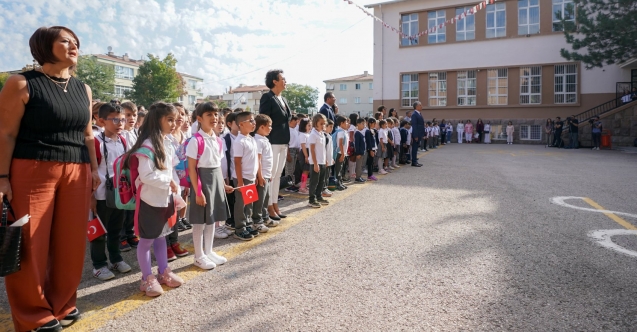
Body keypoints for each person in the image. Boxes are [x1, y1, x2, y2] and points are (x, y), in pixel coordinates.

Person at [0, 26, 100, 331]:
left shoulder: (84, 89)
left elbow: (87, 136)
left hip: (78, 170)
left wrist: (94, 169)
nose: (73, 46)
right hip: (32, 169)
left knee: (70, 243)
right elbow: (5, 133)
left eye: (76, 43)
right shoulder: (21, 83)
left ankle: (62, 303)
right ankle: (33, 315)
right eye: (65, 41)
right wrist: (2, 177)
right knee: (31, 243)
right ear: (45, 45)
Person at [130, 102, 184, 297]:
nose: (174, 123)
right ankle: (146, 277)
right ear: (157, 120)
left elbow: (171, 171)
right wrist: (168, 182)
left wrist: (175, 192)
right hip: (149, 200)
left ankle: (164, 271)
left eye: (174, 119)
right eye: (169, 119)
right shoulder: (148, 145)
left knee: (162, 236)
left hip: (164, 198)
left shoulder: (166, 141)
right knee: (146, 241)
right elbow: (146, 176)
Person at [187, 102, 232, 270]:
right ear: (199, 118)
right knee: (200, 221)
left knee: (212, 218)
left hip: (214, 181)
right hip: (201, 182)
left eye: (215, 114)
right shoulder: (195, 140)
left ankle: (209, 251)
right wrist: (198, 192)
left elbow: (217, 166)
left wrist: (222, 184)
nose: (214, 118)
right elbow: (192, 168)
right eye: (209, 115)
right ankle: (198, 256)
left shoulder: (217, 140)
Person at [91, 103, 132, 281]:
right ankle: (99, 264)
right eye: (115, 119)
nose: (120, 123)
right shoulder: (96, 142)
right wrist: (90, 197)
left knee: (116, 228)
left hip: (119, 193)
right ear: (101, 121)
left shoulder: (123, 140)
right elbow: (89, 172)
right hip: (100, 195)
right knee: (99, 231)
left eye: (122, 119)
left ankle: (116, 258)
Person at [259, 69, 291, 222]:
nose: (285, 81)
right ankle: (268, 207)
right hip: (272, 142)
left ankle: (275, 204)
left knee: (278, 175)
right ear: (274, 81)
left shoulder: (282, 99)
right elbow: (263, 120)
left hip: (283, 141)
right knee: (271, 176)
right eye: (283, 78)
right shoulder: (267, 97)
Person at [166, 103, 190, 262]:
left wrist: (186, 183)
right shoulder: (166, 137)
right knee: (167, 213)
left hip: (181, 181)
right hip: (169, 180)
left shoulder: (186, 137)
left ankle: (174, 241)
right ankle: (165, 245)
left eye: (183, 114)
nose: (180, 117)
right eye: (177, 114)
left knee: (175, 213)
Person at [232, 112, 260, 241]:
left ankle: (248, 223)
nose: (254, 123)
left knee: (249, 202)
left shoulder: (251, 138)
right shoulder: (239, 141)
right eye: (251, 121)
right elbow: (237, 162)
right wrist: (240, 181)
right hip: (242, 177)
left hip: (251, 176)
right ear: (241, 124)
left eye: (254, 121)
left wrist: (256, 176)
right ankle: (239, 228)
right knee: (241, 204)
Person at [119, 102, 140, 252]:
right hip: (123, 175)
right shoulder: (119, 135)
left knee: (133, 206)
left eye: (134, 115)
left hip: (134, 174)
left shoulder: (136, 133)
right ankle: (121, 237)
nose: (131, 118)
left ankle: (130, 232)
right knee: (123, 206)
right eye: (128, 115)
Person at [253, 114, 277, 231]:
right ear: (261, 127)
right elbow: (258, 160)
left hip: (267, 174)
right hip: (262, 175)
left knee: (266, 197)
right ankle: (257, 221)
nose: (271, 128)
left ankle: (265, 217)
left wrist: (269, 174)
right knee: (260, 199)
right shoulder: (258, 140)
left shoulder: (264, 139)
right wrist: (260, 176)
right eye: (269, 126)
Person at [307, 114, 329, 208]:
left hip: (322, 161)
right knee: (314, 181)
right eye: (321, 124)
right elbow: (312, 150)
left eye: (324, 124)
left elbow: (322, 149)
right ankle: (312, 199)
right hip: (315, 162)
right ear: (315, 123)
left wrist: (325, 160)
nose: (323, 125)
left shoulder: (322, 134)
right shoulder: (313, 134)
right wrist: (315, 164)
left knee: (321, 181)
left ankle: (319, 196)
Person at [333, 115, 349, 190]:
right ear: (341, 123)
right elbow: (340, 143)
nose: (347, 124)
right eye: (346, 122)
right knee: (338, 169)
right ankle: (337, 183)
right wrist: (342, 154)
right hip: (339, 153)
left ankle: (340, 182)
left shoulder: (343, 131)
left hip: (342, 153)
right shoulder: (340, 132)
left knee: (341, 168)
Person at [285, 114, 300, 192]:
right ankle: (288, 185)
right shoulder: (287, 130)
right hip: (290, 150)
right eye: (295, 121)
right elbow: (286, 143)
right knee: (289, 169)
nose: (296, 123)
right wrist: (288, 154)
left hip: (295, 150)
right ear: (290, 121)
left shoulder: (294, 130)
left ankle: (292, 184)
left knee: (293, 169)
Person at [297, 118, 312, 195]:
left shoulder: (308, 134)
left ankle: (304, 185)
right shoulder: (302, 135)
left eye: (311, 125)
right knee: (305, 170)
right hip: (305, 153)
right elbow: (303, 146)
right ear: (304, 126)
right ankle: (302, 187)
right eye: (308, 125)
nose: (310, 127)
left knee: (307, 170)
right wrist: (306, 156)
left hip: (308, 152)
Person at [410, 102, 425, 167]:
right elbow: (414, 125)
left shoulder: (419, 114)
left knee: (416, 148)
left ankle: (415, 160)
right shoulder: (414, 114)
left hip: (420, 133)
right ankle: (414, 162)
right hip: (417, 133)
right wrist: (415, 135)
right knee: (414, 148)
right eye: (420, 105)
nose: (421, 106)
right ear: (416, 107)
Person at [353, 118, 367, 182]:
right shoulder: (357, 133)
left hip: (362, 152)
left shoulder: (361, 133)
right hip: (359, 152)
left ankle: (359, 176)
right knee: (358, 165)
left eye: (364, 124)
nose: (364, 125)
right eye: (362, 124)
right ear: (358, 124)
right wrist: (358, 153)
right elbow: (357, 144)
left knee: (361, 165)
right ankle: (357, 177)